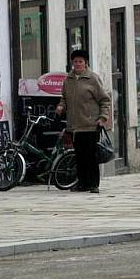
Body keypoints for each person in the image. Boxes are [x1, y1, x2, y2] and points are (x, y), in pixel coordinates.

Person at [56, 50, 111, 193]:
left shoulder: (93, 79)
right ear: (72, 63)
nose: (78, 64)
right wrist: (61, 106)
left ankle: (93, 184)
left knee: (90, 156)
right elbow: (64, 97)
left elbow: (104, 100)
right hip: (74, 126)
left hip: (90, 124)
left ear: (86, 63)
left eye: (81, 61)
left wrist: (102, 117)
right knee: (79, 156)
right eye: (75, 61)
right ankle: (82, 183)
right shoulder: (68, 79)